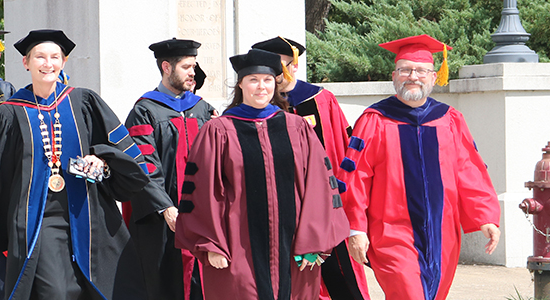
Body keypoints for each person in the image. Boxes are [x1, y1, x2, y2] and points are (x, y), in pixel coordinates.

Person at [0, 29, 170, 300]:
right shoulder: (11, 113)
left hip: (89, 214)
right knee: (56, 291)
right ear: (26, 63)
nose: (48, 63)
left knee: (107, 287)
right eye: (40, 57)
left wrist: (102, 163)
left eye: (55, 57)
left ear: (63, 61)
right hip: (40, 221)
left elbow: (126, 155)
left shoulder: (83, 102)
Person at [173, 49, 349, 299]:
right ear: (241, 84)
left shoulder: (297, 128)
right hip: (238, 248)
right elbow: (201, 191)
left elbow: (320, 186)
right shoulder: (218, 131)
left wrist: (315, 240)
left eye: (267, 80)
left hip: (295, 248)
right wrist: (210, 243)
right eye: (253, 80)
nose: (261, 87)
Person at [340, 34, 501, 300]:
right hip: (391, 231)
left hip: (442, 232)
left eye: (421, 71)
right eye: (405, 70)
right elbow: (355, 176)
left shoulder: (449, 119)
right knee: (409, 294)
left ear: (434, 76)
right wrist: (356, 228)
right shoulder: (375, 120)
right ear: (394, 75)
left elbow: (469, 170)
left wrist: (485, 217)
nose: (413, 76)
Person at [250, 36, 368, 300]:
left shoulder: (320, 99)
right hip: (278, 206)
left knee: (339, 273)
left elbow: (342, 147)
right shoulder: (253, 106)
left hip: (323, 203)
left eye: (282, 66)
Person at [122, 38, 216, 300]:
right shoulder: (144, 111)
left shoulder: (202, 109)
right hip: (160, 219)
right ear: (166, 67)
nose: (193, 72)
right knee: (163, 283)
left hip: (201, 214)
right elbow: (142, 164)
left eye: (194, 66)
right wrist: (165, 207)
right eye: (187, 66)